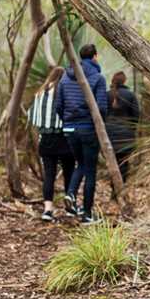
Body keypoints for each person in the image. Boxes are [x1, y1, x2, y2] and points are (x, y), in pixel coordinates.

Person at [54, 43, 107, 224]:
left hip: (69, 129)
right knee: (90, 170)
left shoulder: (64, 78)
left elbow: (58, 106)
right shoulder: (98, 78)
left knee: (80, 165)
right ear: (95, 57)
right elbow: (101, 108)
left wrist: (68, 121)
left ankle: (70, 194)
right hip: (88, 129)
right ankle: (87, 215)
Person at [28, 67, 75, 222]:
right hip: (65, 138)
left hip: (46, 139)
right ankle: (70, 207)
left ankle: (48, 209)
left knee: (49, 175)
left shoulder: (40, 94)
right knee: (69, 172)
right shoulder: (66, 93)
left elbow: (32, 117)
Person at [106, 71, 140, 184]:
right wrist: (132, 130)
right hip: (126, 135)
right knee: (124, 162)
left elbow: (101, 112)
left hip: (109, 134)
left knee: (112, 162)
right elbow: (136, 115)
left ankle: (113, 188)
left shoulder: (107, 94)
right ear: (124, 81)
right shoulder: (130, 95)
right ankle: (121, 188)